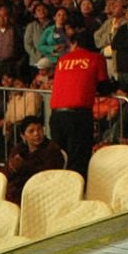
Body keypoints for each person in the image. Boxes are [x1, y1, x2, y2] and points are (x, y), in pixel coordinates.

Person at [49, 29, 111, 174]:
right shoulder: (96, 58)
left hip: (57, 114)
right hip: (78, 115)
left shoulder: (63, 60)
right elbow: (104, 87)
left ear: (75, 43)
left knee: (59, 159)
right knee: (78, 161)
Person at [4, 117, 65, 204]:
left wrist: (24, 166)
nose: (36, 134)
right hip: (18, 188)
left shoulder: (52, 149)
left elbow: (49, 174)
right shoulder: (19, 149)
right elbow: (7, 171)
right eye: (31, 131)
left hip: (41, 190)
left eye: (39, 129)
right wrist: (13, 167)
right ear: (23, 135)